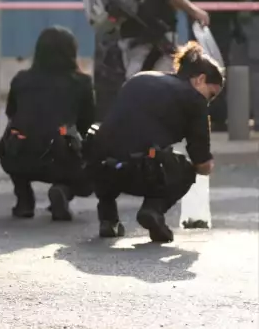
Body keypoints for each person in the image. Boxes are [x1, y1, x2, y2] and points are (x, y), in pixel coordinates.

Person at [88, 42, 220, 243]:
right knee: (185, 169)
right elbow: (200, 161)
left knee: (112, 149)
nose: (209, 102)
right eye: (211, 95)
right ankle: (153, 210)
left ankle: (108, 218)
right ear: (200, 79)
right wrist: (207, 167)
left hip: (101, 167)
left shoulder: (140, 78)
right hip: (139, 170)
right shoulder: (195, 100)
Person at [0, 26, 95, 221]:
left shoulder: (21, 79)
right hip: (61, 156)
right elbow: (87, 122)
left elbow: (11, 113)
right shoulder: (81, 82)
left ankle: (24, 200)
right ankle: (63, 190)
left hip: (19, 155)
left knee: (12, 136)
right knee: (92, 157)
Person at [177, 0, 244, 131]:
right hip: (220, 20)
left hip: (196, 19)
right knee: (218, 65)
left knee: (194, 65)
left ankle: (191, 113)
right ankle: (217, 117)